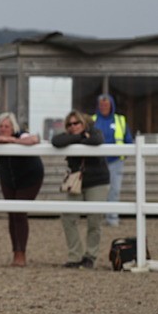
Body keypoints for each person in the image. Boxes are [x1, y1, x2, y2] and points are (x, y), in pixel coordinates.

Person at [0, 112, 43, 266]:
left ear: (13, 127)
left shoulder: (22, 135)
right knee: (11, 213)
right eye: (1, 126)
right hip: (8, 178)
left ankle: (21, 254)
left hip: (30, 177)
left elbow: (34, 140)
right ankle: (15, 252)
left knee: (19, 213)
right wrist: (0, 139)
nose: (3, 129)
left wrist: (13, 141)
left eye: (7, 126)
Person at [51, 110, 110, 268]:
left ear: (84, 123)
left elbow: (97, 140)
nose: (73, 126)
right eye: (69, 124)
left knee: (94, 221)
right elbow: (56, 141)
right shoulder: (71, 136)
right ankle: (75, 256)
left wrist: (74, 140)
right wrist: (79, 137)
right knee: (68, 217)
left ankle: (90, 256)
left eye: (76, 123)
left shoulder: (94, 132)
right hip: (76, 182)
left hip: (97, 181)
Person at [92, 93, 132, 226]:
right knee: (96, 191)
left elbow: (128, 141)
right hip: (97, 163)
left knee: (114, 190)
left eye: (106, 104)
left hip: (115, 162)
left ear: (111, 105)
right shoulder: (92, 121)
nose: (104, 107)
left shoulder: (120, 120)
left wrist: (123, 155)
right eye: (101, 105)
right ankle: (96, 219)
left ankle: (112, 218)